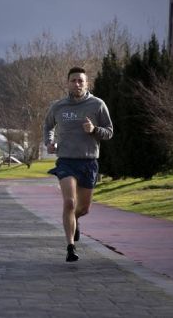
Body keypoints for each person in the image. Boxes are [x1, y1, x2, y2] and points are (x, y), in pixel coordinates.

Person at [44, 66, 113, 262]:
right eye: (73, 80)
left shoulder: (98, 105)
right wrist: (49, 142)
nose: (77, 84)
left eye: (80, 81)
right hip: (66, 161)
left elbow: (109, 132)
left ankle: (75, 221)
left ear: (86, 83)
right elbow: (48, 125)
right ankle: (70, 248)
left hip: (89, 162)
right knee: (69, 202)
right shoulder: (58, 106)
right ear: (67, 83)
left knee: (83, 209)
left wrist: (94, 129)